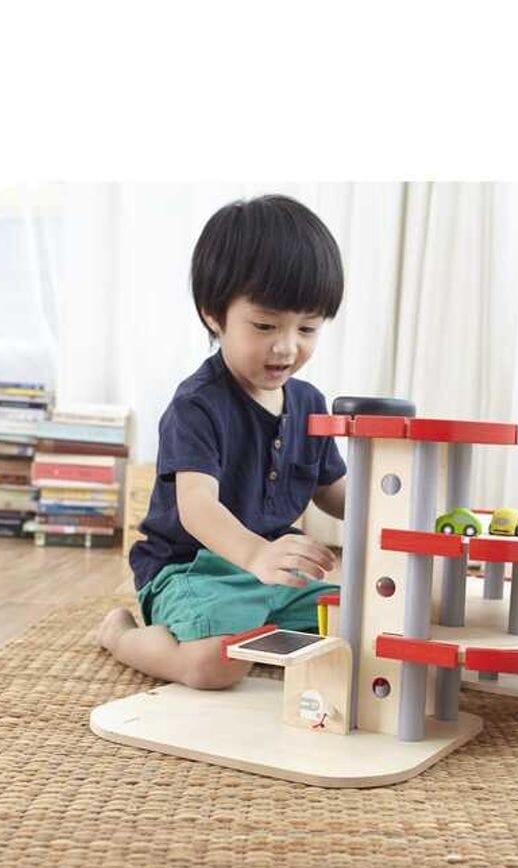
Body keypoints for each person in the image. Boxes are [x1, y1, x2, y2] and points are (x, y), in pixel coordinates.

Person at [95, 194, 347, 690]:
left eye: (307, 328)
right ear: (214, 314)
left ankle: (261, 623)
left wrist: (395, 514)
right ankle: (119, 634)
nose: (287, 346)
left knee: (355, 623)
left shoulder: (310, 402)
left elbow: (332, 491)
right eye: (265, 325)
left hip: (272, 574)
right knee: (215, 664)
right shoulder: (197, 404)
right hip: (192, 571)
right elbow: (196, 506)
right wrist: (253, 555)